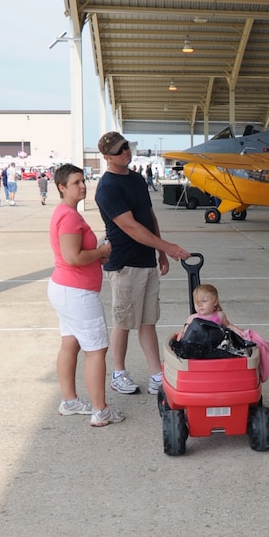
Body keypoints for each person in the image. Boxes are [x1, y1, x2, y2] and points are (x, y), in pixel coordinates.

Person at [95, 131, 191, 395]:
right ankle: (118, 373)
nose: (125, 152)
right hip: (125, 262)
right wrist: (168, 248)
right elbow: (131, 228)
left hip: (146, 259)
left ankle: (156, 375)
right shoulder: (107, 187)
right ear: (106, 158)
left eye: (126, 147)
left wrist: (160, 251)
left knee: (148, 320)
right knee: (124, 320)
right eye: (118, 151)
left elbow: (148, 217)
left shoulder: (136, 178)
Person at [47, 163, 125, 427]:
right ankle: (100, 410)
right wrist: (102, 252)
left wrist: (95, 258)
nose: (83, 186)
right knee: (96, 351)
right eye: (76, 182)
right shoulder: (69, 216)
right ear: (61, 187)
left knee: (70, 344)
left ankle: (70, 401)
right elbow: (72, 257)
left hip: (66, 289)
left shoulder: (65, 212)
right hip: (77, 292)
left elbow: (74, 255)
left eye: (83, 181)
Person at [178, 283, 269, 382]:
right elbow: (185, 332)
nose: (199, 305)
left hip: (216, 346)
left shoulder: (219, 316)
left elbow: (228, 325)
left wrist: (239, 331)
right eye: (196, 302)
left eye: (204, 301)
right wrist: (181, 337)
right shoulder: (193, 318)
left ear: (215, 301)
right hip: (200, 347)